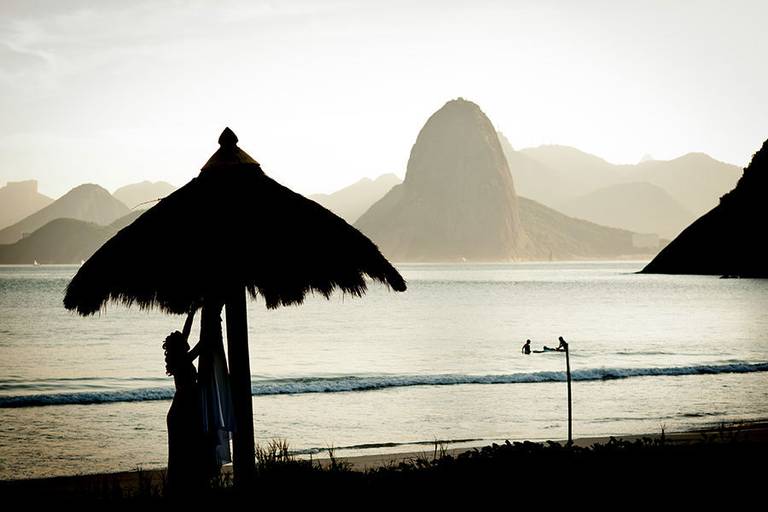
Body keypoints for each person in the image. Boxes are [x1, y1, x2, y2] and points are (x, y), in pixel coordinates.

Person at [163, 309, 209, 493]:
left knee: (183, 451)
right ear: (180, 347)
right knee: (184, 451)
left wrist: (191, 314)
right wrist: (211, 328)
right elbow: (201, 345)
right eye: (183, 341)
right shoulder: (183, 360)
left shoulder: (181, 358)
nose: (186, 339)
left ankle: (185, 486)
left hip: (183, 407)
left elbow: (186, 332)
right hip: (183, 409)